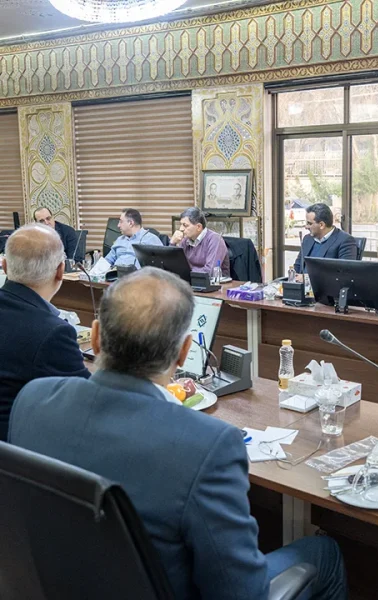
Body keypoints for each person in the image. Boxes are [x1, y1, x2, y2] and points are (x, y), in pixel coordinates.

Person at [9, 268, 347, 600]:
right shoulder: (208, 446)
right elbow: (241, 593)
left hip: (54, 583)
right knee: (325, 553)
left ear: (95, 337)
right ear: (185, 351)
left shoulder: (31, 399)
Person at [0, 224, 90, 441]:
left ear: (4, 266)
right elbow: (90, 402)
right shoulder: (53, 333)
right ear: (60, 271)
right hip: (19, 451)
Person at [293, 203, 357, 273]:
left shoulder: (345, 241)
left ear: (321, 225)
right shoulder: (307, 239)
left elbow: (344, 274)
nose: (306, 227)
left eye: (309, 223)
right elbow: (297, 267)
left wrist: (305, 277)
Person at [170, 207, 230, 276]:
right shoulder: (185, 240)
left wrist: (186, 271)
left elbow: (210, 272)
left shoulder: (215, 240)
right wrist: (172, 243)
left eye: (185, 225)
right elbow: (173, 267)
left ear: (198, 227)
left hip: (213, 282)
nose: (181, 229)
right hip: (190, 280)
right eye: (180, 224)